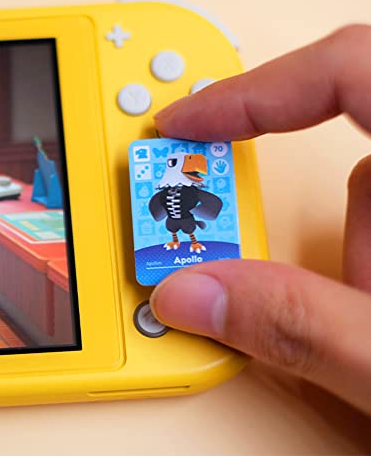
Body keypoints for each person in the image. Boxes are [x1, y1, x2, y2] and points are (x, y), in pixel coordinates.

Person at [150, 24, 371, 416]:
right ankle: (182, 240)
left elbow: (201, 202)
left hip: (191, 228)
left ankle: (190, 241)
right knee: (175, 228)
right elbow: (161, 204)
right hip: (173, 226)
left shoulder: (192, 186)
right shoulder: (169, 187)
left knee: (187, 228)